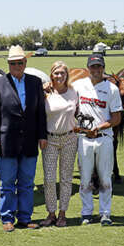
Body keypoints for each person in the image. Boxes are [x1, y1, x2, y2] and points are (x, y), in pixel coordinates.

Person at [0, 45, 48, 232]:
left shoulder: (35, 82)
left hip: (29, 142)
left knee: (27, 183)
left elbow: (40, 113)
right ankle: (7, 218)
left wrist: (42, 135)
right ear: (8, 64)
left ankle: (25, 217)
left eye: (20, 63)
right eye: (13, 63)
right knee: (7, 184)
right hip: (6, 143)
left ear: (25, 63)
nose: (17, 66)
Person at [71, 53, 122, 226]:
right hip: (84, 139)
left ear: (103, 68)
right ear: (88, 68)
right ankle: (86, 213)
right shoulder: (78, 85)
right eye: (93, 67)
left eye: (99, 66)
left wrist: (99, 127)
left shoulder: (112, 89)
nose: (96, 70)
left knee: (105, 179)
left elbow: (117, 118)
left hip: (104, 138)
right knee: (85, 179)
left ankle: (105, 213)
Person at [40, 61, 78, 227]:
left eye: (63, 73)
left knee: (66, 179)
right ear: (51, 75)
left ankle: (63, 214)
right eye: (56, 73)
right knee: (49, 179)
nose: (59, 76)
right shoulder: (45, 92)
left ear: (67, 75)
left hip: (70, 138)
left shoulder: (74, 91)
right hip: (50, 139)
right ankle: (51, 213)